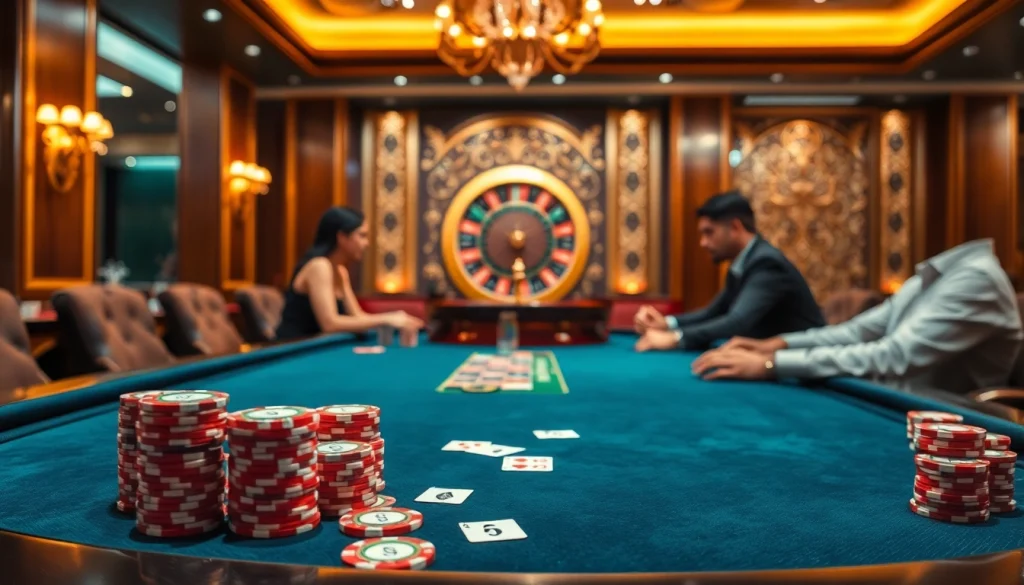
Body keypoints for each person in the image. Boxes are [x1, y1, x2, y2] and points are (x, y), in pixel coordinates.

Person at [691, 239, 1023, 395]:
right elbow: (858, 331)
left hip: (948, 423)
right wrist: (776, 345)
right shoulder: (940, 273)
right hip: (892, 400)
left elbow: (893, 356)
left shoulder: (976, 280)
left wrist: (772, 365)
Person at [634, 190, 824, 352]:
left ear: (735, 227)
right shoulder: (745, 261)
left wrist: (675, 338)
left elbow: (737, 322)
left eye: (709, 232)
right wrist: (666, 324)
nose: (703, 243)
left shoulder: (766, 263)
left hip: (805, 371)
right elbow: (714, 312)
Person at [276, 206, 424, 340]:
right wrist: (387, 319)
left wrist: (396, 318)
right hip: (290, 349)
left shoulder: (340, 272)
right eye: (362, 235)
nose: (367, 243)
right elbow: (330, 323)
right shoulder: (319, 266)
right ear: (342, 237)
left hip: (316, 348)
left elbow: (358, 316)